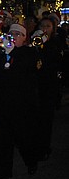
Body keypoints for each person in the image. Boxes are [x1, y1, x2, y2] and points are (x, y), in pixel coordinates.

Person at [0, 23, 41, 179]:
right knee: (0, 140)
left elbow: (29, 71)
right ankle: (2, 172)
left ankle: (31, 161)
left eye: (17, 34)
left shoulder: (28, 53)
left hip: (20, 105)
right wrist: (2, 51)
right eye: (11, 33)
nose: (13, 37)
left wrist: (13, 53)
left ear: (24, 38)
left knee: (24, 138)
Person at [34, 17, 64, 160]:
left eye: (48, 26)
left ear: (53, 29)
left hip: (49, 85)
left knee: (46, 118)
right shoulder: (35, 41)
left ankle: (44, 147)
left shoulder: (55, 43)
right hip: (35, 85)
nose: (45, 29)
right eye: (42, 26)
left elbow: (57, 61)